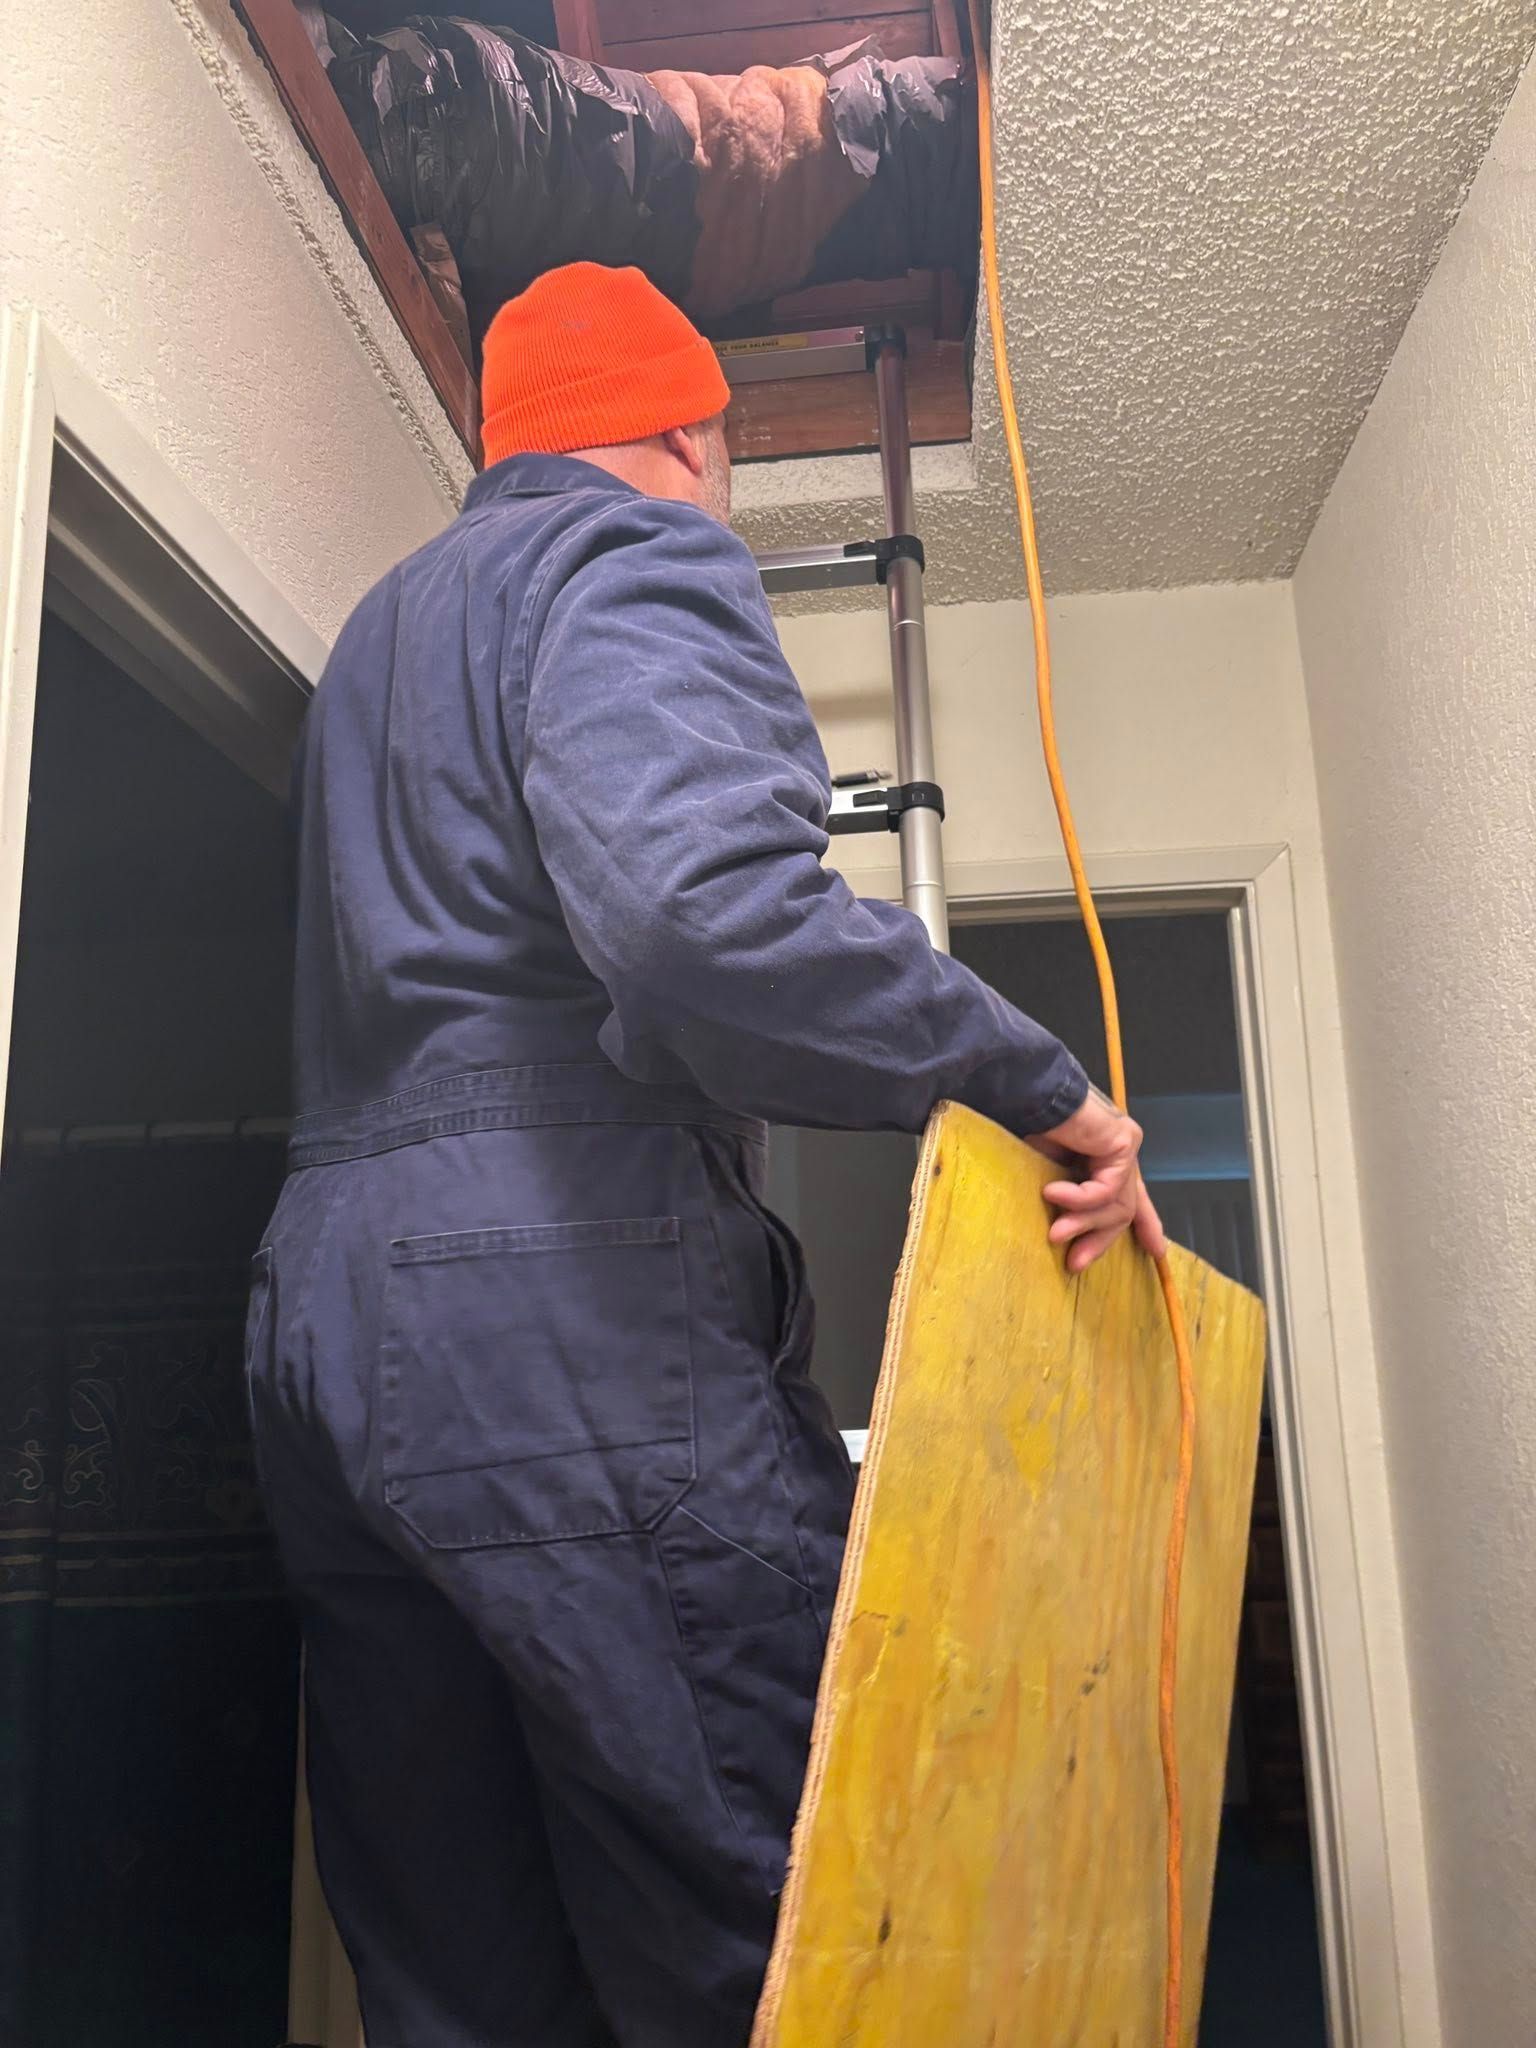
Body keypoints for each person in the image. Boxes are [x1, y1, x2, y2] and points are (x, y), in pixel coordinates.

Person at [247, 261, 1163, 2048]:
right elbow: (693, 919)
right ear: (685, 433)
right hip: (555, 1304)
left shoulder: (381, 635)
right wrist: (1028, 1080)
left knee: (457, 1972)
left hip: (321, 1321)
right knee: (772, 1935)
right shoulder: (634, 558)